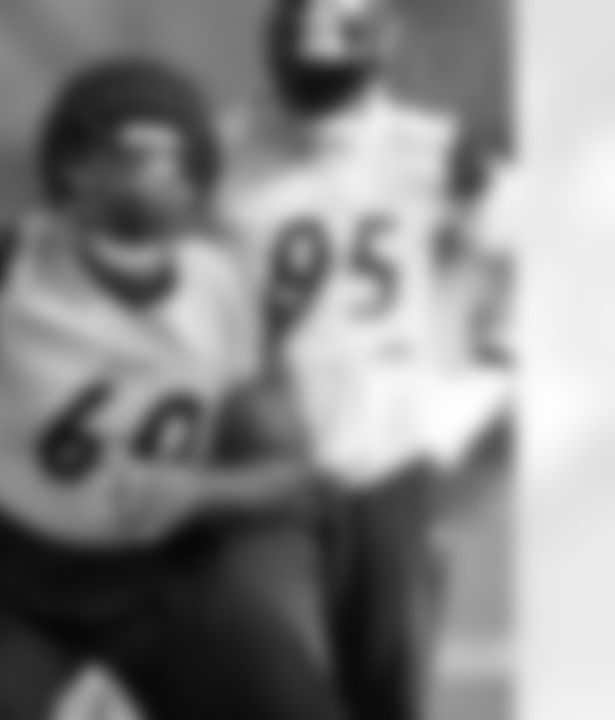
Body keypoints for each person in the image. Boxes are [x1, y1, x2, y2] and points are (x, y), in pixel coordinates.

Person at [0, 57, 353, 720]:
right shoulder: (6, 270)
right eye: (126, 155)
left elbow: (292, 472)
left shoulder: (224, 290)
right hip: (13, 579)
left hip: (161, 576)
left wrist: (198, 491)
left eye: (168, 158)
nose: (149, 176)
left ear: (198, 177)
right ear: (71, 169)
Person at [222, 1, 514, 718]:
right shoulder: (217, 154)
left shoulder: (440, 154)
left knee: (387, 694)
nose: (319, 84)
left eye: (334, 62)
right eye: (305, 58)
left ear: (384, 45)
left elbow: (555, 258)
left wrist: (478, 387)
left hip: (387, 459)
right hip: (256, 461)